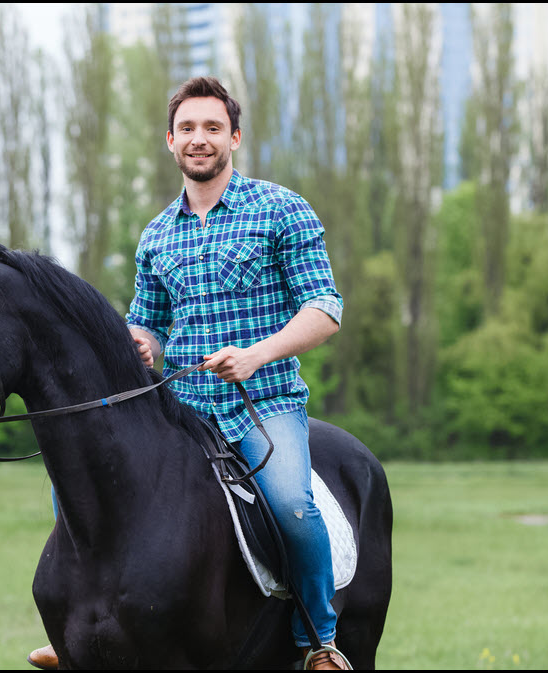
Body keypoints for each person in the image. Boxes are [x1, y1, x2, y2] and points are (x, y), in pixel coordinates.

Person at [28, 76, 347, 671]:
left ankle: (319, 642)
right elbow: (148, 325)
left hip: (263, 403)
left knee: (292, 505)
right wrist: (139, 343)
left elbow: (324, 309)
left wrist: (257, 353)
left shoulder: (280, 209)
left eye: (213, 128)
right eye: (188, 129)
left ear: (235, 137)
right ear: (170, 142)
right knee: (75, 484)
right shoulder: (156, 234)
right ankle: (77, 622)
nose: (200, 139)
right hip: (178, 410)